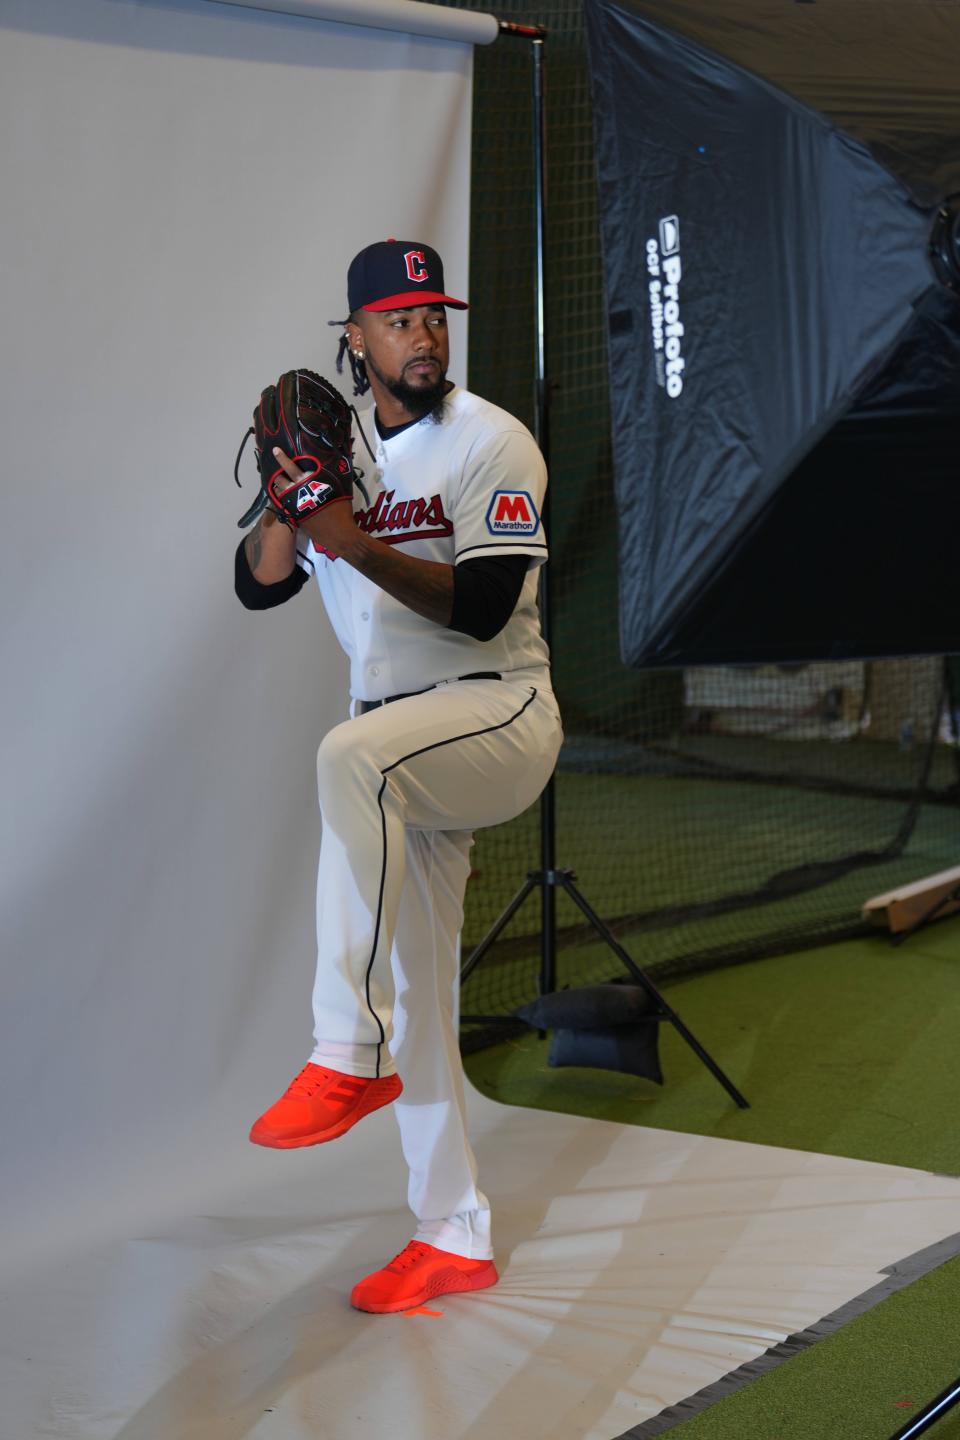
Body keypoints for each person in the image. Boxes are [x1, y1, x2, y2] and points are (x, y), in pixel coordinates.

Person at [234, 238, 562, 1314]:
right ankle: (453, 1234)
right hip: (400, 746)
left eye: (436, 315)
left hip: (497, 711)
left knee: (348, 758)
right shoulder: (338, 446)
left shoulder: (491, 443)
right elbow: (260, 586)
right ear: (355, 338)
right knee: (424, 988)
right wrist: (292, 507)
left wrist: (359, 541)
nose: (425, 333)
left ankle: (348, 1047)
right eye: (400, 318)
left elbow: (480, 610)